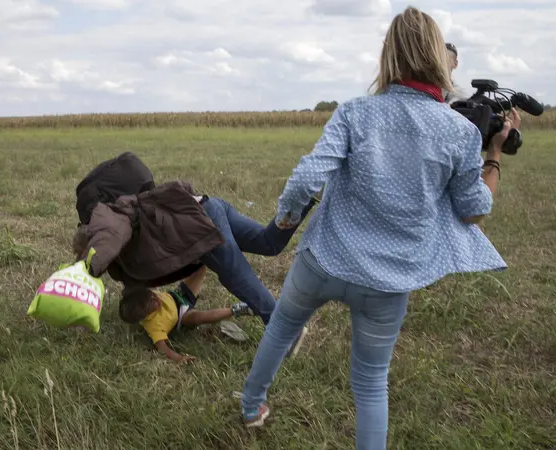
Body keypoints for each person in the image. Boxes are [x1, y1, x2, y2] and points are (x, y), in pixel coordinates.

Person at [238, 6, 519, 450]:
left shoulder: (355, 114)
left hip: (323, 260)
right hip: (389, 280)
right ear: (437, 56)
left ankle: (251, 405)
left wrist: (286, 220)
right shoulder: (461, 133)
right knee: (370, 384)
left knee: (281, 329)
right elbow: (472, 210)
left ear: (388, 55)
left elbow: (308, 179)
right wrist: (494, 156)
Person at [73, 180, 318, 356]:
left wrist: (86, 270)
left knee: (237, 277)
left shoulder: (113, 229)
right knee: (268, 243)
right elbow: (135, 290)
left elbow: (109, 242)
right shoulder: (123, 246)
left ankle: (287, 331)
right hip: (209, 206)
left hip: (198, 227)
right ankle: (302, 200)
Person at [118, 265, 255, 363]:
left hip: (179, 295)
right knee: (200, 317)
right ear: (146, 314)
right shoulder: (154, 326)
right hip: (183, 316)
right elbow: (162, 349)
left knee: (200, 268)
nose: (156, 297)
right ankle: (238, 309)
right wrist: (179, 358)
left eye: (153, 295)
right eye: (153, 302)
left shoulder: (144, 296)